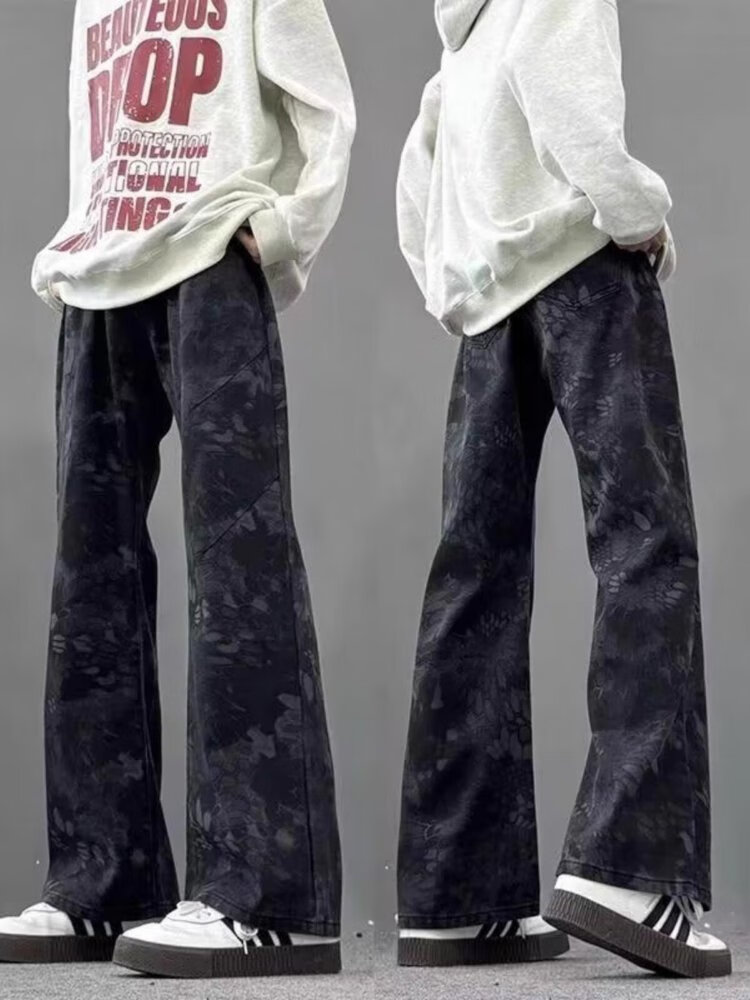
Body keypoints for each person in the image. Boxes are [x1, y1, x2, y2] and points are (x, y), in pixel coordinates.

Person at [0, 0, 355, 980]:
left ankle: (271, 897)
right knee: (90, 589)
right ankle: (102, 880)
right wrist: (83, 229)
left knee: (239, 573)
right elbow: (101, 124)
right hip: (99, 272)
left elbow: (325, 105)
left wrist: (287, 226)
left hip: (210, 254)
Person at [394, 0, 731, 979]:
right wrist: (640, 213)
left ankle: (457, 897)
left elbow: (418, 169)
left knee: (474, 578)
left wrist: (451, 280)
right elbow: (566, 101)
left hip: (488, 307)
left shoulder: (461, 34)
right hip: (584, 269)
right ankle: (630, 866)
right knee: (644, 545)